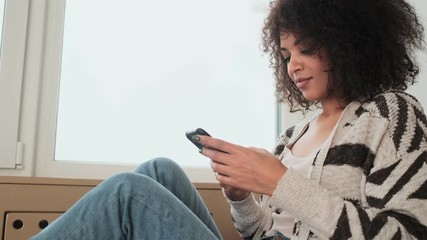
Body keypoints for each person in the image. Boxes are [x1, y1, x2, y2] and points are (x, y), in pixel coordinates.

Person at [31, 0, 427, 239]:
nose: (294, 66)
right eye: (287, 55)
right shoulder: (292, 137)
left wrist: (279, 181)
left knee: (128, 194)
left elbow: (406, 235)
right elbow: (261, 234)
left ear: (349, 43)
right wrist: (241, 197)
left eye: (306, 49)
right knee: (160, 170)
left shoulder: (391, 115)